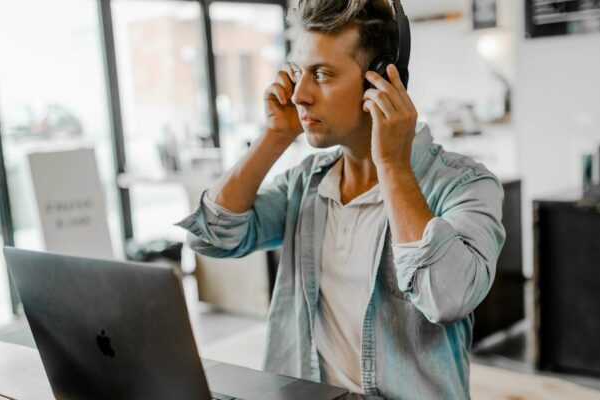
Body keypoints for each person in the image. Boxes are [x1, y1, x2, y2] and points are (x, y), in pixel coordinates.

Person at [176, 0, 505, 398]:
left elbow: (448, 298)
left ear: (380, 81)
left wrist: (393, 167)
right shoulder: (307, 184)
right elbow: (210, 237)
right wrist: (275, 136)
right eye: (298, 73)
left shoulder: (465, 185)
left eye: (322, 75)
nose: (299, 95)